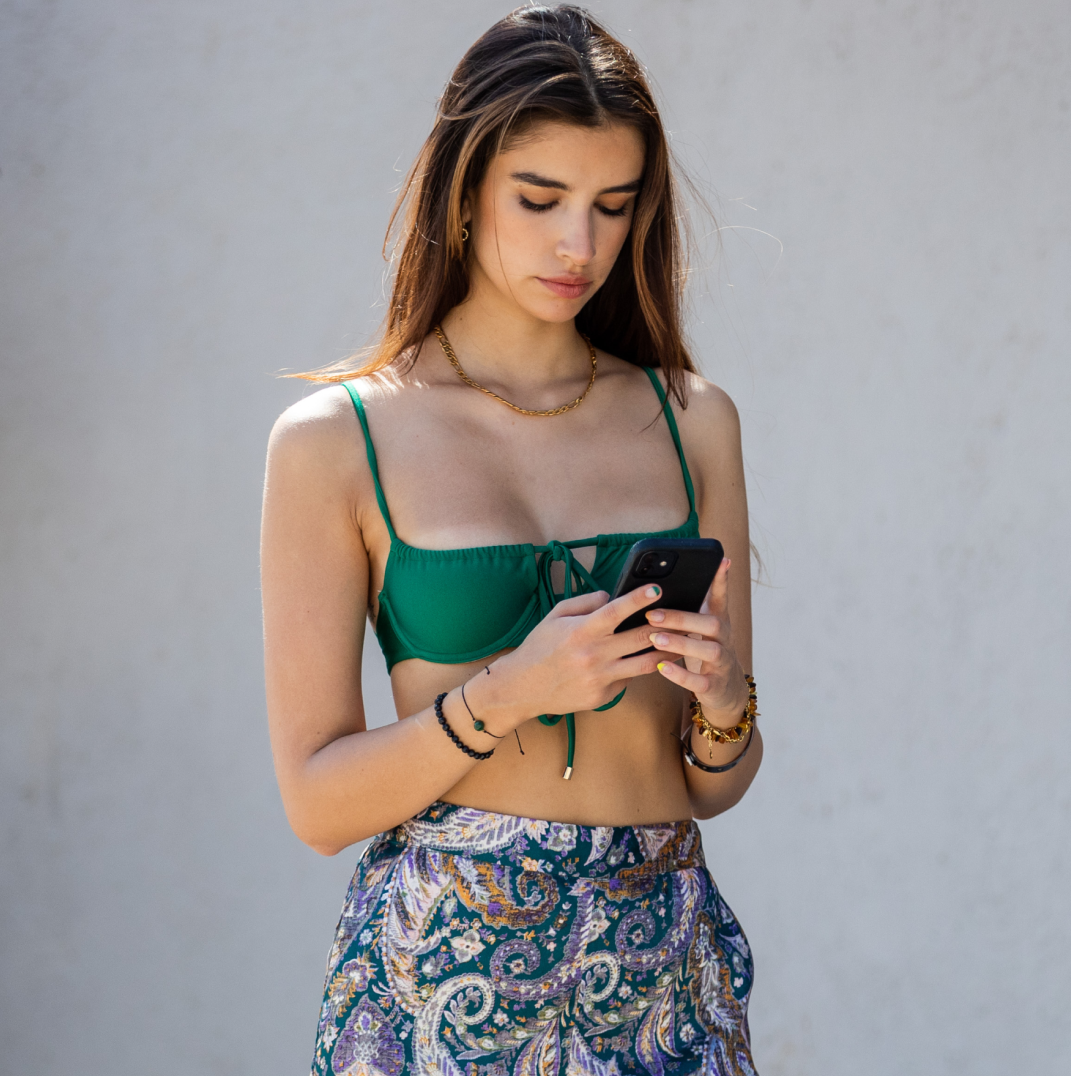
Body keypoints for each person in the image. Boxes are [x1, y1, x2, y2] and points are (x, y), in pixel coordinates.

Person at [261, 6, 763, 1073]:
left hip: (660, 965)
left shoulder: (693, 419)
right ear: (465, 187)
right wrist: (512, 689)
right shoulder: (336, 440)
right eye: (539, 199)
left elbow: (714, 775)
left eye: (613, 206)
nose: (578, 244)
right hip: (440, 972)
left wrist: (725, 708)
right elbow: (315, 801)